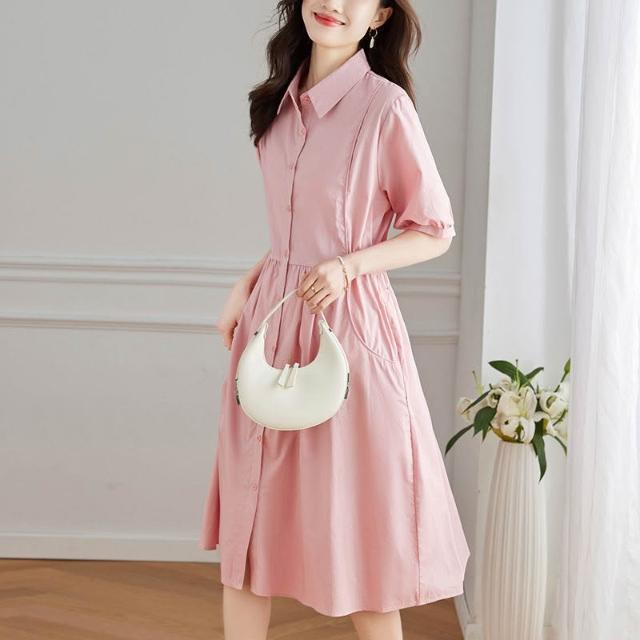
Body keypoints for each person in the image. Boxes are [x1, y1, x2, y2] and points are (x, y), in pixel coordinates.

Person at [200, 1, 471, 638]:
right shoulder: (277, 100)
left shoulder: (385, 108)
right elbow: (299, 229)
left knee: (360, 538)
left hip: (347, 328)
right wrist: (247, 283)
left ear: (379, 16)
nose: (335, 4)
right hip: (271, 321)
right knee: (249, 534)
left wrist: (349, 267)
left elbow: (434, 229)